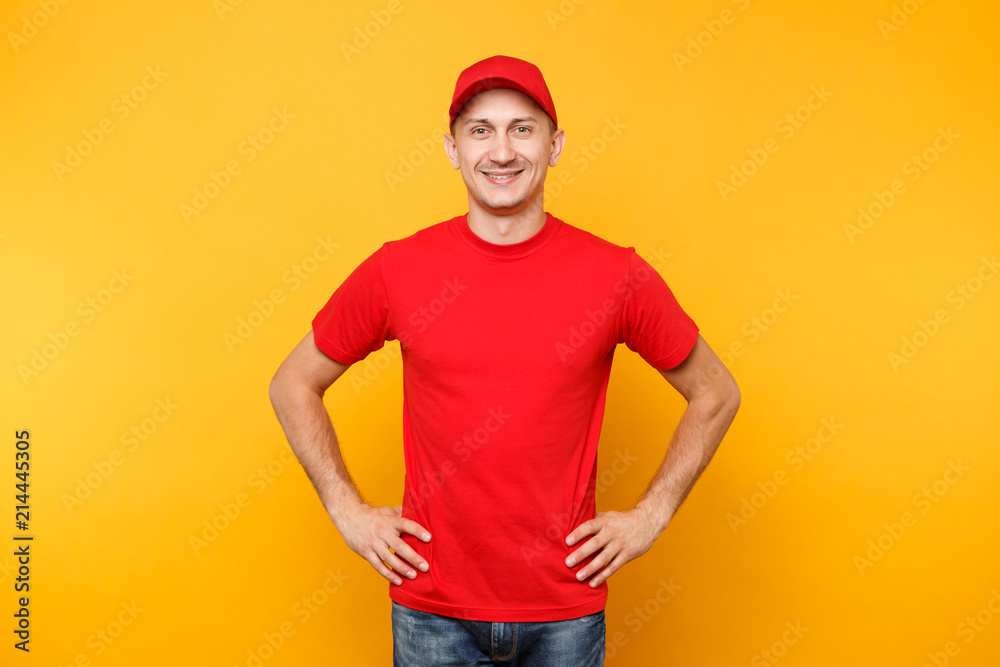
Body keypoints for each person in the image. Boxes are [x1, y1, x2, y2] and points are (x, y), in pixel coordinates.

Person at [269, 54, 741, 666]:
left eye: (522, 128)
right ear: (452, 148)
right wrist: (347, 509)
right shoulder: (399, 269)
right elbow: (293, 383)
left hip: (564, 612)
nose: (501, 151)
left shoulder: (615, 274)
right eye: (480, 130)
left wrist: (651, 515)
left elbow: (716, 392)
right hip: (431, 613)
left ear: (555, 144)